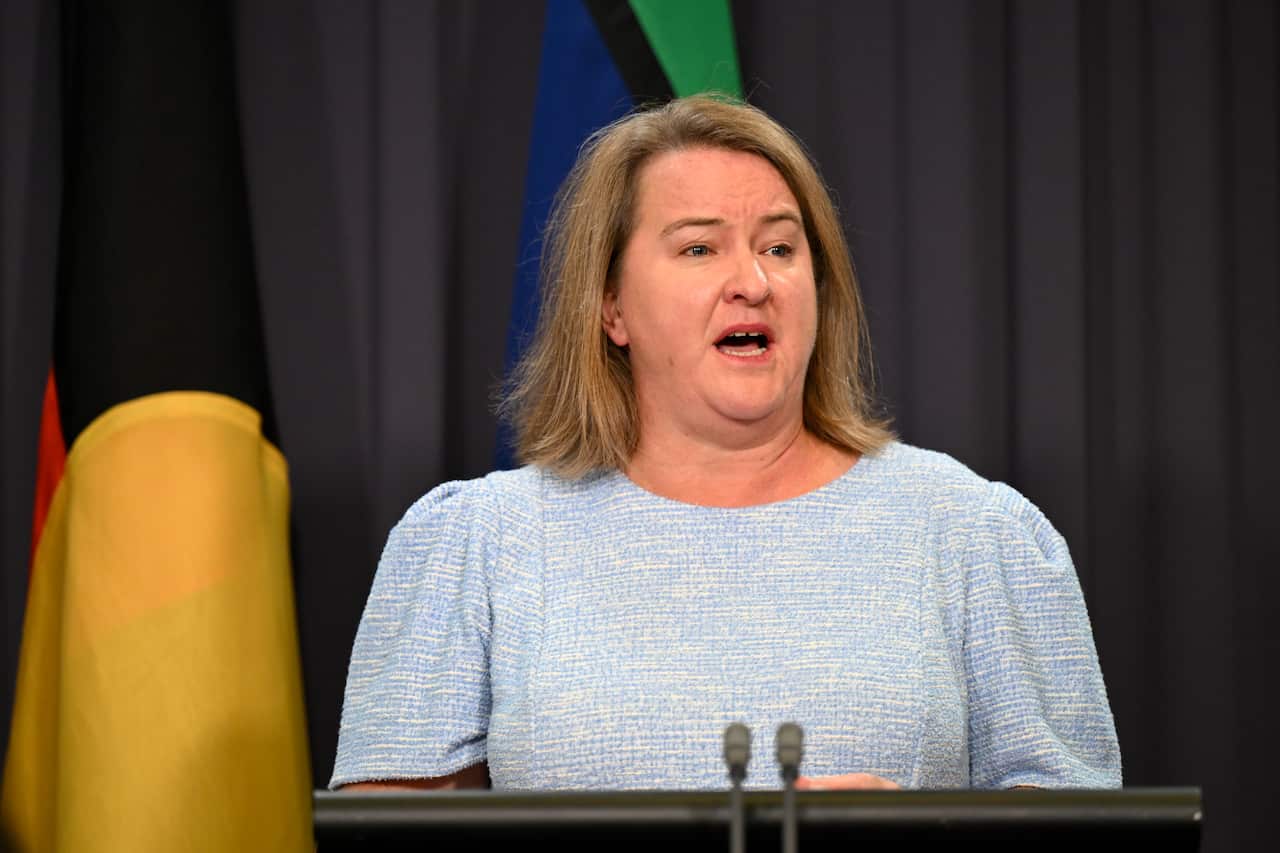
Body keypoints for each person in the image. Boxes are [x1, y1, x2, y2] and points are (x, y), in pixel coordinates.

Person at [330, 95, 1121, 792]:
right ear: (611, 308)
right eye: (700, 248)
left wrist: (915, 835)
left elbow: (1089, 835)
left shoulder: (971, 533)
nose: (754, 281)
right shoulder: (477, 543)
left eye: (780, 247)